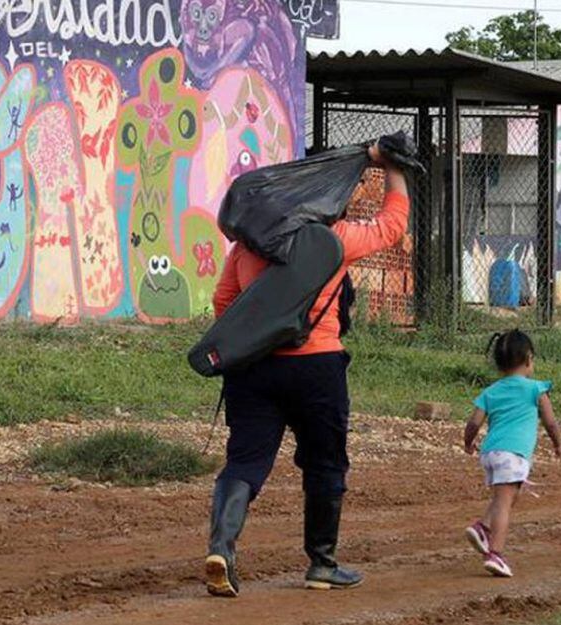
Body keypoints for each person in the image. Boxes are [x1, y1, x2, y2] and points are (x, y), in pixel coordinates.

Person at [205, 144, 410, 597]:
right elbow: (392, 226)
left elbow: (224, 304)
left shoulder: (246, 245)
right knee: (324, 462)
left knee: (245, 461)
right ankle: (322, 563)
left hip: (253, 369)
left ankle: (222, 546)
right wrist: (393, 169)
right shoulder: (334, 238)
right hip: (318, 367)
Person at [463, 329, 561, 578]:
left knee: (506, 496)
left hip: (490, 453)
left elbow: (474, 422)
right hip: (513, 454)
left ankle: (482, 527)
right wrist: (557, 443)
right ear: (529, 359)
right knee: (506, 504)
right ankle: (495, 553)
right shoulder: (535, 389)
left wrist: (468, 442)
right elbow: (550, 422)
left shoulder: (491, 391)